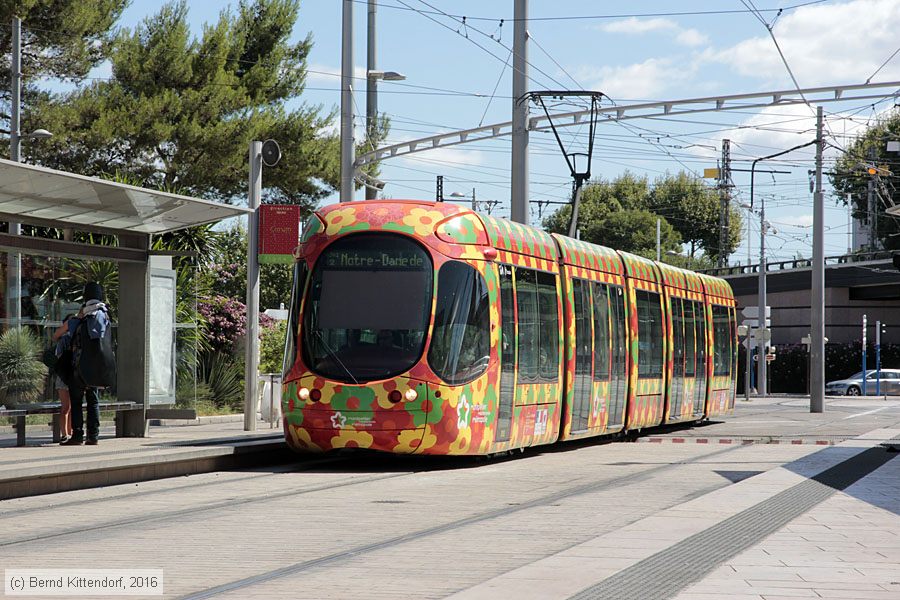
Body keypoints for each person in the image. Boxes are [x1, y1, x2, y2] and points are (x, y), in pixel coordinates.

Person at [62, 282, 113, 446]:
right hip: (96, 366)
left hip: (79, 366)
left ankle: (77, 435)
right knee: (93, 400)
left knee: (76, 401)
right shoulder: (104, 316)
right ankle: (94, 435)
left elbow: (70, 336)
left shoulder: (84, 316)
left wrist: (79, 317)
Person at [52, 314, 77, 444]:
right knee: (66, 407)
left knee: (71, 407)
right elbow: (59, 357)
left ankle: (70, 432)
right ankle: (64, 433)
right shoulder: (64, 340)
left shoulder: (77, 338)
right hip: (64, 376)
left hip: (71, 376)